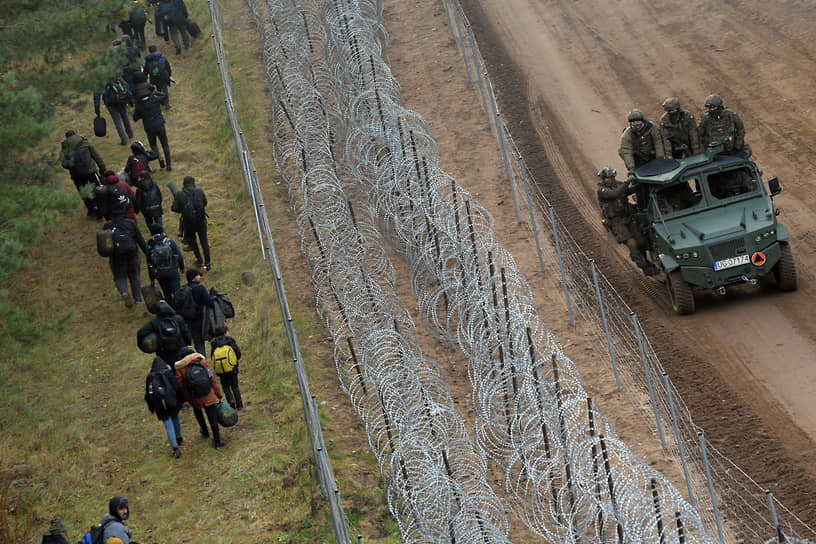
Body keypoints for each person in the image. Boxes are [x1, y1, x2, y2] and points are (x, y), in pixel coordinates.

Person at [596, 167, 657, 275]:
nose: (608, 180)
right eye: (606, 178)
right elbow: (614, 194)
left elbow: (628, 191)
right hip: (616, 222)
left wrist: (641, 181)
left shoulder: (618, 184)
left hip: (628, 217)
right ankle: (645, 266)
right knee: (632, 244)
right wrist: (627, 182)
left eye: (610, 177)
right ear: (602, 179)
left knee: (641, 240)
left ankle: (644, 258)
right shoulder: (602, 190)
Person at [174, 347, 224, 448]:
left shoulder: (180, 368)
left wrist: (183, 400)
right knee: (212, 417)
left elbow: (179, 385)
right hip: (208, 394)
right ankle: (217, 441)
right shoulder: (202, 362)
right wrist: (218, 393)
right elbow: (212, 379)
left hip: (193, 396)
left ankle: (204, 431)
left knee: (198, 412)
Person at [103, 212, 149, 308]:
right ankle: (138, 299)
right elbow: (140, 239)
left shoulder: (107, 226)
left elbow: (104, 245)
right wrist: (148, 253)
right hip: (132, 254)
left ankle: (124, 292)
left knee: (119, 277)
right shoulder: (130, 223)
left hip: (116, 257)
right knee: (135, 275)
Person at [145, 355, 185, 457]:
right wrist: (181, 401)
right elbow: (176, 387)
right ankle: (179, 437)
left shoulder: (150, 378)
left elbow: (149, 395)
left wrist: (152, 407)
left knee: (168, 425)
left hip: (160, 406)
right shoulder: (168, 373)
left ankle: (175, 447)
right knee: (175, 418)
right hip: (172, 402)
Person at [59, 130, 105, 217]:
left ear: (67, 137)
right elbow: (96, 156)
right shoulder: (84, 142)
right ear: (75, 134)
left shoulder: (64, 146)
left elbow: (64, 164)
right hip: (90, 170)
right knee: (97, 189)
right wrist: (102, 168)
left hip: (76, 174)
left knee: (83, 192)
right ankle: (101, 208)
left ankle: (91, 210)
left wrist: (71, 165)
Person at [172, 176, 210, 270]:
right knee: (204, 242)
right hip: (201, 221)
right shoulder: (199, 191)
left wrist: (183, 209)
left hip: (188, 223)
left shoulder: (180, 194)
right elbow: (205, 202)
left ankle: (200, 260)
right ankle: (208, 263)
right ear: (193, 183)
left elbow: (174, 208)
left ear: (184, 184)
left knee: (193, 242)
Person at [618, 109, 669, 176]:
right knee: (621, 150)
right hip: (639, 160)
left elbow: (658, 142)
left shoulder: (652, 128)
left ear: (643, 121)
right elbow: (627, 151)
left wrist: (660, 159)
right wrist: (631, 168)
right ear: (630, 123)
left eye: (638, 121)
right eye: (634, 122)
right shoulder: (627, 135)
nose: (636, 124)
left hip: (653, 156)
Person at [138, 300, 191, 364]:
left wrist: (143, 348)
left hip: (164, 353)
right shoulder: (178, 318)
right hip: (180, 350)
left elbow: (141, 332)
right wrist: (187, 343)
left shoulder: (154, 322)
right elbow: (186, 334)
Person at [133, 85, 172, 171]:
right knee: (165, 144)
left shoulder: (139, 106)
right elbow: (164, 95)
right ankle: (169, 165)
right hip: (159, 124)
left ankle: (159, 158)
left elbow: (135, 118)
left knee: (154, 146)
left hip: (149, 127)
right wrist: (155, 92)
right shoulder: (154, 99)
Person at [175, 268, 214, 355]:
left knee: (199, 344)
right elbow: (209, 302)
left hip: (190, 322)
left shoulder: (183, 289)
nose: (199, 277)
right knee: (213, 340)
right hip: (203, 320)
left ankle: (203, 364)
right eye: (198, 275)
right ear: (194, 278)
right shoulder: (200, 288)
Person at [146, 223, 185, 300]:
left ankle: (171, 309)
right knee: (177, 292)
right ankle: (181, 308)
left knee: (167, 294)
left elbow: (149, 264)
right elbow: (178, 255)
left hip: (160, 274)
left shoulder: (150, 246)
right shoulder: (169, 242)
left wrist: (152, 278)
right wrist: (182, 267)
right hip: (172, 271)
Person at [94, 77, 134, 146]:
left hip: (110, 103)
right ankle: (130, 133)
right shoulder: (115, 74)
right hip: (122, 100)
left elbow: (96, 94)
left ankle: (123, 138)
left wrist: (97, 108)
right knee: (125, 116)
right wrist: (130, 99)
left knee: (117, 120)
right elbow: (125, 85)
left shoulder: (100, 79)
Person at [211, 328, 243, 410]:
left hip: (221, 370)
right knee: (235, 386)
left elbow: (212, 357)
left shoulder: (214, 344)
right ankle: (239, 405)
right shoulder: (230, 341)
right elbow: (238, 354)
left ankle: (231, 401)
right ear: (225, 333)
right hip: (232, 367)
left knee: (226, 387)